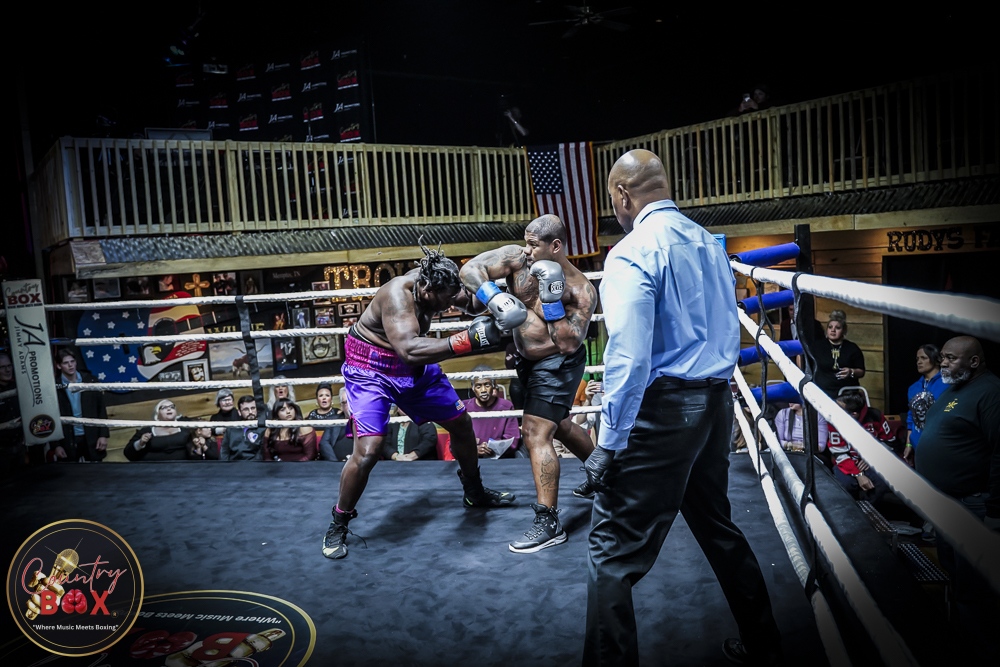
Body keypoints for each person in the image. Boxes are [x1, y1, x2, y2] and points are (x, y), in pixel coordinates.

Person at [582, 149, 783, 666]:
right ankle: (766, 645)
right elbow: (725, 327)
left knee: (611, 550)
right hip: (714, 402)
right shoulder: (709, 244)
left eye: (612, 200)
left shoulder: (632, 251)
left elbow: (628, 355)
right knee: (717, 526)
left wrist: (609, 442)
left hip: (665, 409)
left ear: (622, 194)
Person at [323, 241, 515, 561]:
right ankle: (338, 522)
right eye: (443, 301)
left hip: (412, 368)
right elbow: (409, 349)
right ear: (426, 290)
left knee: (461, 423)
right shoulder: (397, 295)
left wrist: (496, 296)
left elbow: (470, 304)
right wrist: (467, 341)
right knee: (369, 450)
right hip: (371, 370)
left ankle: (474, 492)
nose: (447, 306)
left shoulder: (441, 282)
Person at [460, 214, 599, 553]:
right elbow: (470, 271)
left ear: (555, 246)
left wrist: (551, 303)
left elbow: (568, 342)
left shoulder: (580, 289)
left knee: (536, 431)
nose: (526, 249)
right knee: (558, 423)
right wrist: (495, 297)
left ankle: (548, 522)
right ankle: (604, 472)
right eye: (526, 242)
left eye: (534, 245)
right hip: (525, 361)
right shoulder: (518, 258)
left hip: (559, 363)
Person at [914, 336, 999, 663]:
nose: (944, 363)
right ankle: (959, 645)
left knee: (974, 589)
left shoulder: (991, 392)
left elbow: (999, 451)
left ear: (974, 362)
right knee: (954, 576)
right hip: (947, 503)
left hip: (972, 504)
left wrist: (995, 510)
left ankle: (983, 653)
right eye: (943, 358)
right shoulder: (955, 388)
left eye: (951, 358)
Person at [827, 392, 892, 505]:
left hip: (873, 461)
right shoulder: (834, 420)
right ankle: (851, 510)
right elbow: (838, 452)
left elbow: (889, 442)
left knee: (882, 483)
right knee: (846, 484)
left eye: (839, 408)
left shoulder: (875, 416)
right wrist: (858, 474)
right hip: (846, 462)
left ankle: (870, 510)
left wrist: (872, 458)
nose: (835, 410)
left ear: (854, 414)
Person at [53, 348, 109, 463]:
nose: (70, 365)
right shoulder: (54, 387)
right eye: (65, 363)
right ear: (58, 366)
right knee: (70, 472)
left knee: (97, 471)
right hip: (68, 438)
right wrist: (56, 445)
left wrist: (103, 435)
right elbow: (51, 415)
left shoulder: (90, 380)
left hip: (92, 436)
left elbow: (101, 409)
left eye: (72, 361)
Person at [462, 365, 521, 459]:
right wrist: (473, 450)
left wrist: (481, 442)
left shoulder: (506, 406)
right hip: (471, 460)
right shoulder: (464, 407)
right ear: (472, 388)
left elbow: (512, 441)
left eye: (487, 385)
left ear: (493, 385)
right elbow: (454, 443)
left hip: (500, 460)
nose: (483, 390)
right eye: (478, 386)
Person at [903, 343, 946, 465]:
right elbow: (911, 418)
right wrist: (908, 444)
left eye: (924, 358)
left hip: (941, 446)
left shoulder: (947, 384)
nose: (919, 362)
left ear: (935, 359)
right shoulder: (914, 388)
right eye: (917, 359)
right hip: (919, 448)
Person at [809, 310, 865, 398]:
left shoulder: (852, 348)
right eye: (830, 327)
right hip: (822, 391)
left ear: (844, 331)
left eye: (837, 328)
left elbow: (861, 371)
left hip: (846, 393)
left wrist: (851, 371)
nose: (833, 330)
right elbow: (802, 357)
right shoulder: (817, 346)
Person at [124, 400, 197, 461]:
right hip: (154, 469)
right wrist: (140, 443)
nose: (169, 409)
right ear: (157, 414)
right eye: (164, 408)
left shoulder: (186, 424)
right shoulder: (147, 430)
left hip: (185, 466)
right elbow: (128, 453)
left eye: (172, 407)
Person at [0, 352, 25, 478]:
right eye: (3, 367)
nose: (8, 370)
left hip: (20, 445)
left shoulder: (18, 386)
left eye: (9, 366)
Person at [220, 396, 265, 461]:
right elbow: (224, 452)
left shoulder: (263, 429)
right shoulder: (231, 429)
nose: (250, 412)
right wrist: (226, 466)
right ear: (239, 412)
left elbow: (262, 453)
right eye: (246, 409)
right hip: (233, 464)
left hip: (255, 464)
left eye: (253, 408)